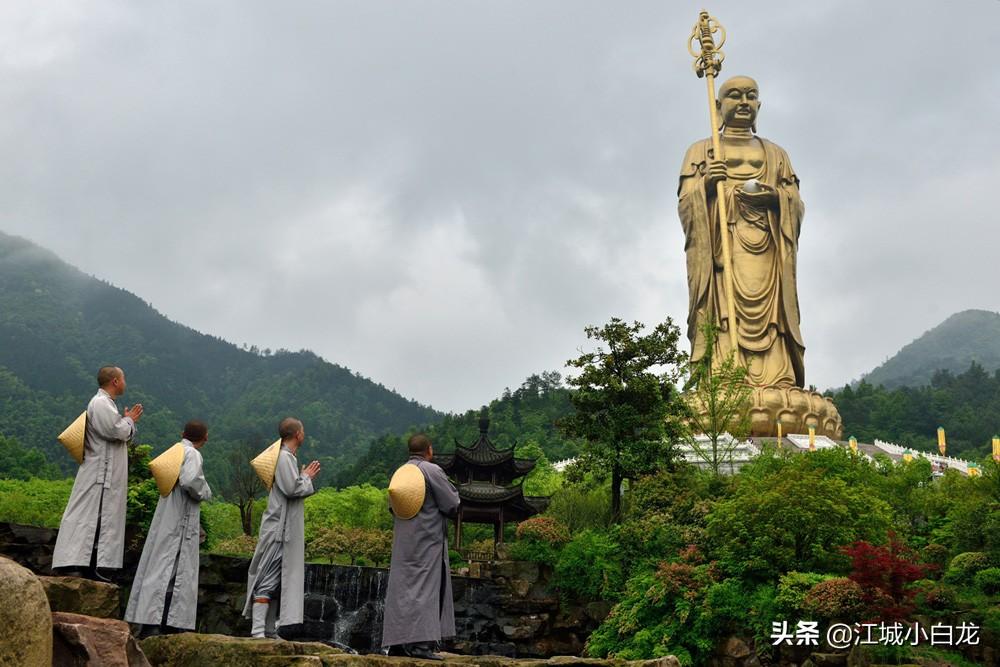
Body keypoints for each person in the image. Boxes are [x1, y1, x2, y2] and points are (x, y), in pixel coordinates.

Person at [678, 75, 805, 389]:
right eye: (735, 95)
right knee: (723, 309)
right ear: (719, 106)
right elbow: (685, 205)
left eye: (751, 96)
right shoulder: (701, 152)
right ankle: (723, 374)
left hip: (768, 250)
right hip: (723, 251)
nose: (744, 102)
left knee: (773, 314)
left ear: (759, 105)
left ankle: (778, 378)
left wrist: (776, 198)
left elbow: (796, 204)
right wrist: (706, 186)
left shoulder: (777, 155)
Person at [52, 366, 143, 581]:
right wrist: (129, 420)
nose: (125, 383)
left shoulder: (106, 404)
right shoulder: (101, 403)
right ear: (114, 381)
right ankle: (70, 562)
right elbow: (115, 431)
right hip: (97, 470)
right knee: (83, 514)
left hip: (105, 471)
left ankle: (93, 565)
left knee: (101, 518)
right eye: (123, 378)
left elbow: (117, 430)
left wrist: (126, 422)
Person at [125, 421, 213, 638]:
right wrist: (206, 492)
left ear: (182, 433)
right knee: (169, 568)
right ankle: (158, 623)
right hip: (180, 519)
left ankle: (154, 620)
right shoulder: (192, 454)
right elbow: (191, 481)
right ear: (205, 438)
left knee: (160, 565)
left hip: (168, 514)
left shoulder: (176, 451)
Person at [382, 434, 460, 660]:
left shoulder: (400, 473)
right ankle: (420, 645)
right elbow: (452, 503)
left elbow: (393, 507)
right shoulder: (431, 470)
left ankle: (397, 644)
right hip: (427, 541)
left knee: (401, 589)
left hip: (404, 543)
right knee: (425, 589)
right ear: (429, 450)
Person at [243, 418, 321, 639]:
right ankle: (258, 630)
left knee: (276, 579)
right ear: (297, 434)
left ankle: (268, 629)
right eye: (303, 430)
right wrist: (306, 477)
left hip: (282, 527)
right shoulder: (285, 457)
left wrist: (302, 476)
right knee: (267, 578)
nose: (304, 433)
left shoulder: (287, 458)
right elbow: (291, 488)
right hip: (279, 530)